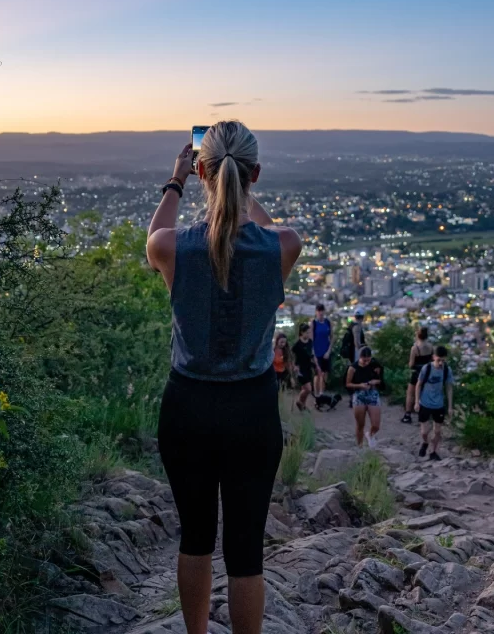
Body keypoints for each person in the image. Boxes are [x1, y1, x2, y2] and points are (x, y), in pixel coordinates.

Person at [146, 121, 302, 634]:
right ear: (255, 174)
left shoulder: (172, 248)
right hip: (252, 411)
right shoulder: (283, 246)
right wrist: (236, 189)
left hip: (188, 407)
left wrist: (177, 181)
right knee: (246, 551)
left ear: (201, 170)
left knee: (194, 538)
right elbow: (260, 227)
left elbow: (154, 234)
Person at [414, 345, 454, 461]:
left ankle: (433, 451)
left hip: (439, 404)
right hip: (425, 403)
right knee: (424, 431)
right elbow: (418, 384)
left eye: (443, 360)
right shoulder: (426, 369)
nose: (441, 363)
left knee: (437, 431)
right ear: (433, 357)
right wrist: (417, 402)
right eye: (438, 360)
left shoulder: (447, 370)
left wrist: (450, 406)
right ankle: (425, 443)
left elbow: (449, 388)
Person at [345, 346, 382, 448]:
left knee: (376, 425)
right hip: (359, 395)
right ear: (359, 357)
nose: (366, 362)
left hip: (372, 393)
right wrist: (360, 385)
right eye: (364, 360)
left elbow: (380, 380)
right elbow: (348, 384)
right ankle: (359, 445)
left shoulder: (375, 365)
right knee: (360, 424)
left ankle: (370, 434)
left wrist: (375, 381)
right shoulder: (353, 368)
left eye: (368, 360)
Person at [401, 327, 434, 424]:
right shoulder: (431, 346)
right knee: (425, 393)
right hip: (428, 372)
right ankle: (425, 414)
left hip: (417, 373)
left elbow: (411, 364)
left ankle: (407, 415)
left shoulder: (415, 348)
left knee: (410, 393)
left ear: (418, 335)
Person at [292, 322, 318, 411]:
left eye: (309, 332)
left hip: (308, 367)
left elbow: (312, 354)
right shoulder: (297, 344)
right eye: (307, 332)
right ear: (302, 333)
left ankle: (303, 405)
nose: (308, 334)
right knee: (308, 389)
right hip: (300, 368)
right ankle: (299, 401)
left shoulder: (310, 342)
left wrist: (316, 365)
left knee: (305, 388)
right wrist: (294, 366)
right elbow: (292, 356)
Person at [312, 303, 332, 395]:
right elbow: (311, 340)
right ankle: (316, 393)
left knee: (325, 374)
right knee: (318, 374)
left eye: (321, 310)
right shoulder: (313, 324)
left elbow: (332, 337)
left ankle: (322, 393)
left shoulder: (328, 322)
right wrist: (313, 355)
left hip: (326, 352)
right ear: (316, 312)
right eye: (318, 311)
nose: (320, 313)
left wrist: (329, 351)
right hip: (317, 352)